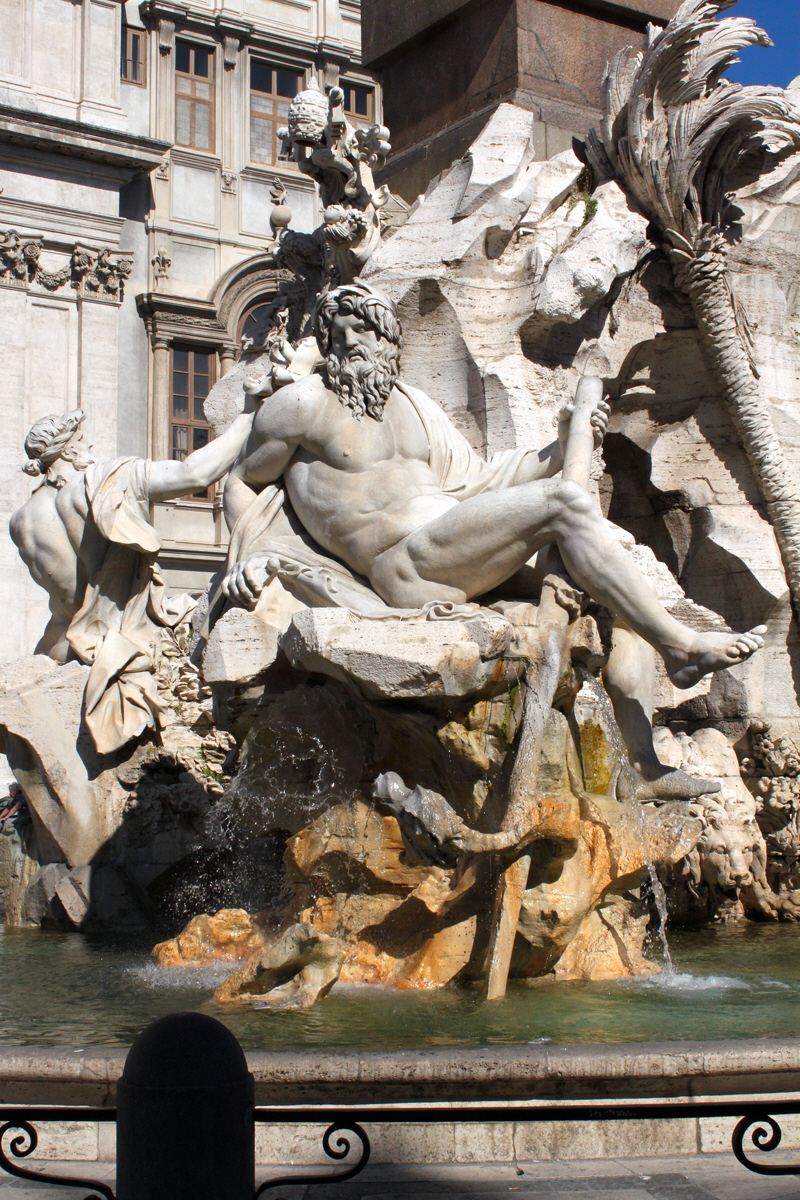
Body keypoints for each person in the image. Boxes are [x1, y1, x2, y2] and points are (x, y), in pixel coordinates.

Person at [220, 282, 764, 694]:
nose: (347, 338)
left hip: (455, 549)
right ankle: (682, 644)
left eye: (363, 326)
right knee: (566, 503)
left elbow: (481, 481)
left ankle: (643, 764)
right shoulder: (302, 405)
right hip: (402, 567)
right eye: (335, 328)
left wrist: (563, 444)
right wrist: (254, 556)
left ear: (389, 339)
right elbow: (244, 483)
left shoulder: (413, 406)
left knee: (611, 600)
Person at [10, 406, 254, 754]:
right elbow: (196, 474)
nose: (91, 445)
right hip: (115, 643)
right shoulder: (101, 482)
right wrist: (249, 416)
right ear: (69, 450)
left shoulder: (22, 519)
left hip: (57, 650)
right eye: (82, 440)